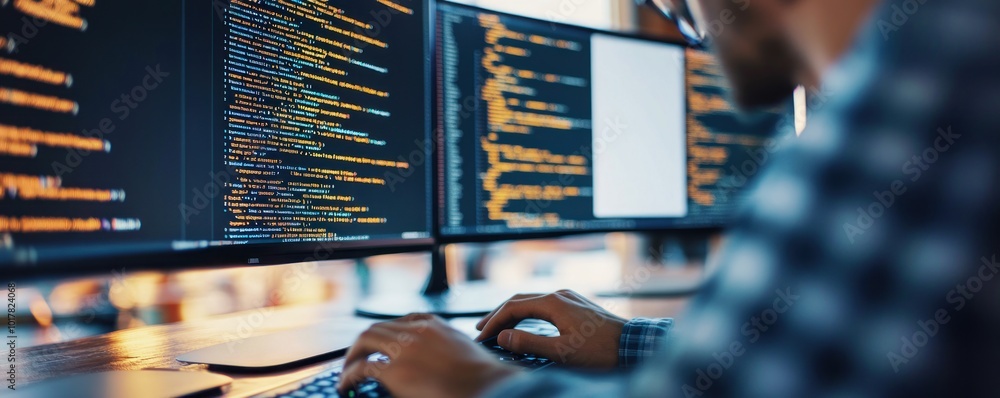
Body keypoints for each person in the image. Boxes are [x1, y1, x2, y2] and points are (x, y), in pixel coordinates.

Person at [338, 0, 1000, 396]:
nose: (700, 37)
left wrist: (482, 385)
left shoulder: (926, 81)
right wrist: (632, 342)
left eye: (682, 7)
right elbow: (831, 364)